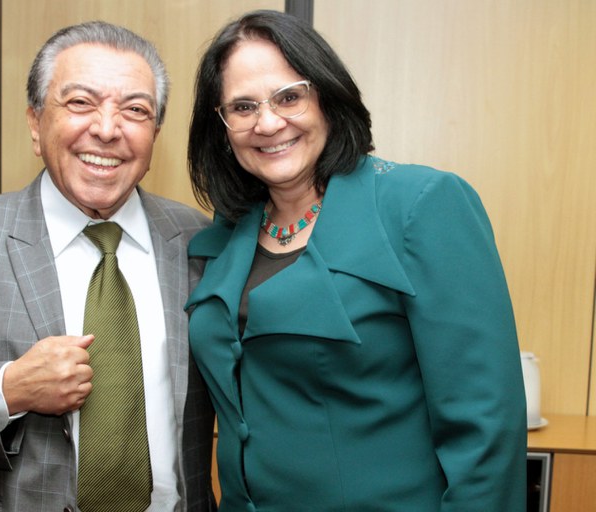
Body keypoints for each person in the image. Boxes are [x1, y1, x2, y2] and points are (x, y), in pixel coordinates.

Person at [185, 9, 526, 511]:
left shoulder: (422, 205)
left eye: (289, 96)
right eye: (242, 107)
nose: (268, 122)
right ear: (222, 126)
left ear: (326, 95)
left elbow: (486, 426)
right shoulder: (225, 233)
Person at [0, 21, 217, 512]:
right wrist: (6, 390)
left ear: (154, 134)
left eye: (135, 110)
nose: (106, 128)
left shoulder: (199, 242)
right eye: (80, 102)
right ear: (36, 124)